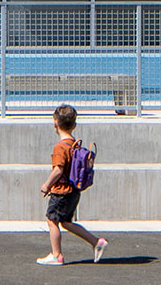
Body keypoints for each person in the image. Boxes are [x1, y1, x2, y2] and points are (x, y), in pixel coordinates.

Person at [36, 104, 107, 266]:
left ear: (55, 123)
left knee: (52, 220)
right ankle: (96, 242)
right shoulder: (75, 145)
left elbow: (58, 170)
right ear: (74, 125)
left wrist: (46, 185)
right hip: (74, 191)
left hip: (61, 191)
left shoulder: (60, 147)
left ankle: (57, 255)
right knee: (66, 221)